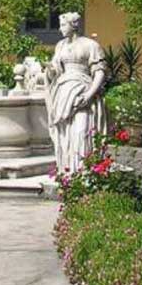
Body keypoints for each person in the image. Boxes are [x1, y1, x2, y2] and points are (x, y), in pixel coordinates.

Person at [45, 11, 108, 173]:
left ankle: (83, 171)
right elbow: (56, 71)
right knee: (66, 136)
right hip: (63, 93)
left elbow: (99, 72)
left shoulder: (90, 45)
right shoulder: (60, 46)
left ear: (73, 26)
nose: (60, 29)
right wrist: (49, 70)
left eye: (63, 25)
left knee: (82, 132)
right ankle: (68, 171)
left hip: (82, 93)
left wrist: (89, 95)